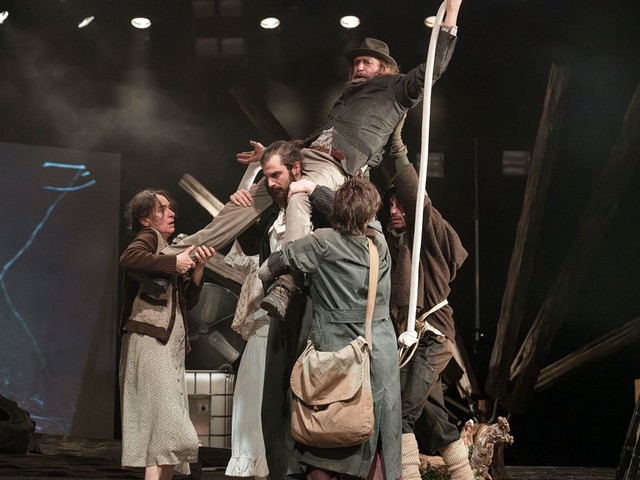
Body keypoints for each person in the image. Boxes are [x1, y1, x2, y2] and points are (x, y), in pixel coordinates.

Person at [163, 0, 463, 319]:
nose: (359, 67)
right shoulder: (347, 96)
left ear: (384, 68)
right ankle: (175, 253)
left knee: (299, 194)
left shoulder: (397, 88)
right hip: (301, 156)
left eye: (367, 62)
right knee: (242, 204)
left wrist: (452, 15)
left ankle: (287, 279)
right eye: (356, 63)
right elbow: (313, 139)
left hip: (334, 166)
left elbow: (433, 70)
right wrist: (270, 155)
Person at [293, 117, 472, 479]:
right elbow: (354, 216)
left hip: (431, 337)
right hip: (407, 341)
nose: (393, 211)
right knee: (435, 419)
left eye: (400, 205)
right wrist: (314, 189)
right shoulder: (388, 243)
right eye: (389, 205)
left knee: (400, 412)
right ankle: (465, 474)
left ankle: (406, 476)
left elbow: (417, 199)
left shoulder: (430, 236)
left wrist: (397, 147)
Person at [257, 177, 402, 480]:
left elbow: (267, 269)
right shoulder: (378, 241)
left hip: (337, 353)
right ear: (368, 213)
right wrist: (316, 190)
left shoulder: (321, 242)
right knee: (373, 430)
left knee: (329, 427)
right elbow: (365, 215)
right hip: (379, 350)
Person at [223, 140, 313, 480]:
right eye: (267, 176)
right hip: (266, 322)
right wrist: (249, 177)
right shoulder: (272, 218)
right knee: (256, 409)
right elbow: (241, 229)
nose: (271, 183)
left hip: (301, 322)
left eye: (276, 175)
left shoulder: (312, 209)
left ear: (296, 170)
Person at [118, 189, 215, 480]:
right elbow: (128, 258)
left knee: (167, 440)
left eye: (170, 208)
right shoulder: (149, 238)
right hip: (150, 342)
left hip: (168, 345)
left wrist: (197, 270)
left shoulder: (167, 249)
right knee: (171, 430)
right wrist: (174, 263)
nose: (171, 213)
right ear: (145, 219)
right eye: (162, 209)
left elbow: (185, 304)